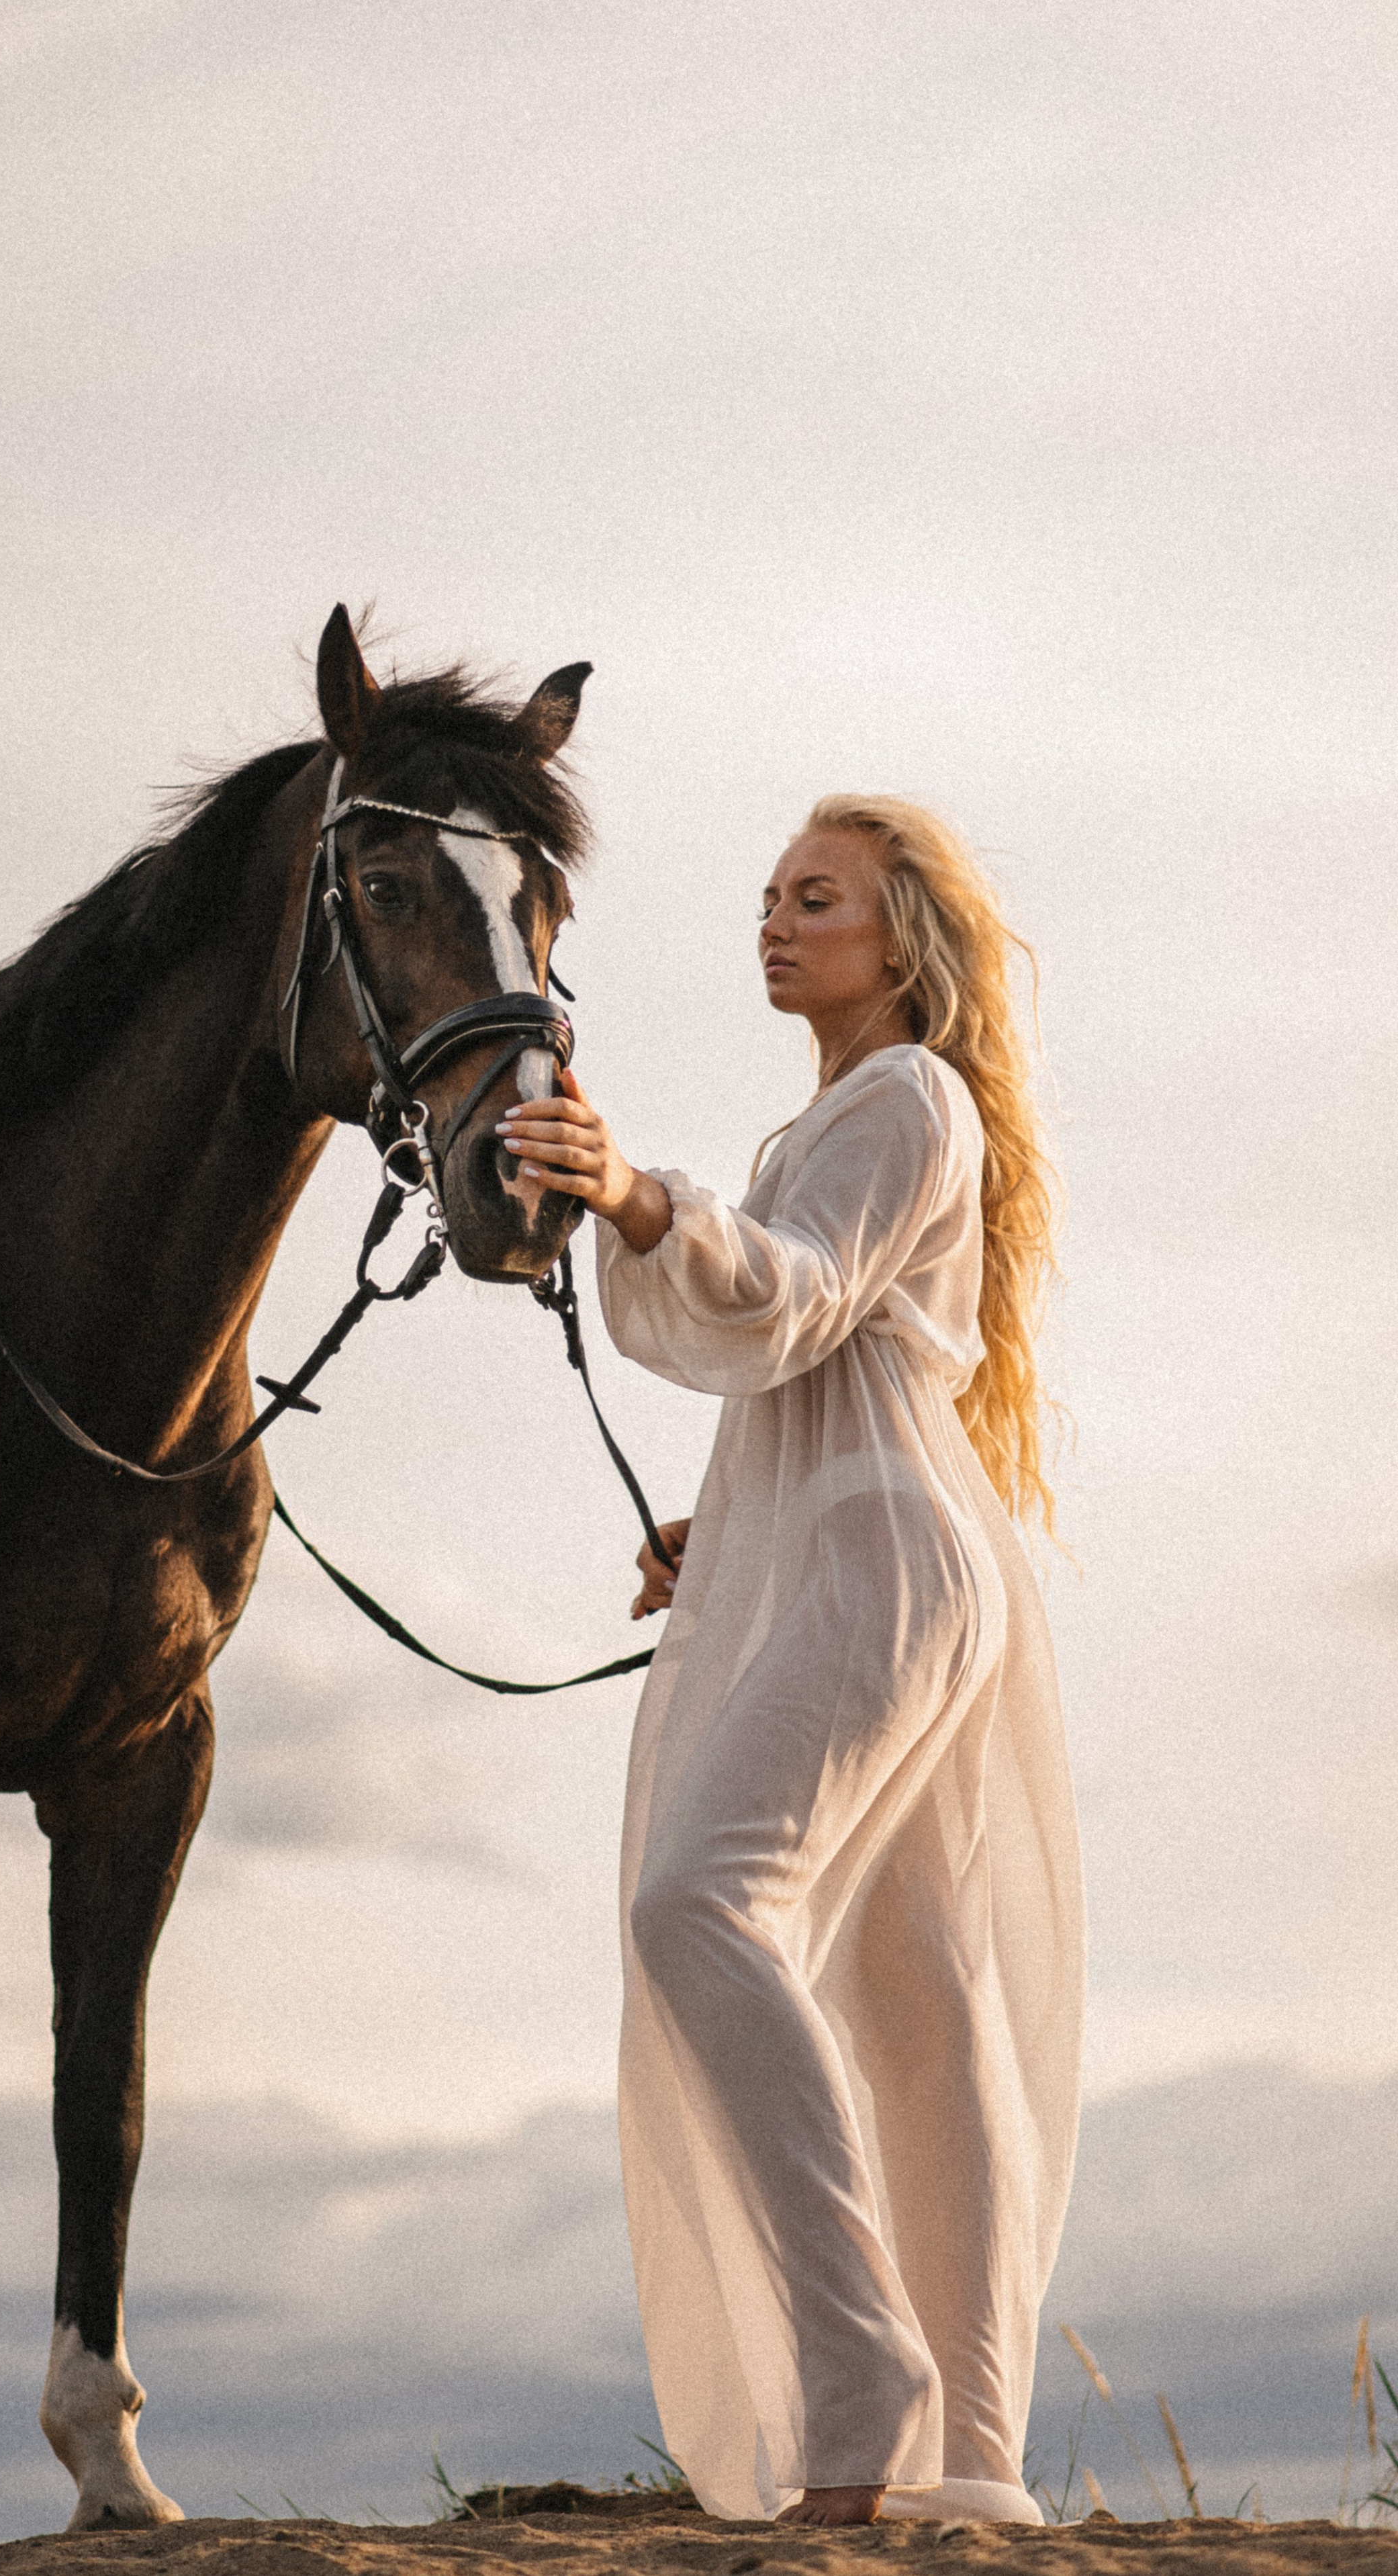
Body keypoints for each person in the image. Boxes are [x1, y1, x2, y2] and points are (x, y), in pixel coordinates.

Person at [496, 797, 1082, 2528]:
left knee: (699, 1898)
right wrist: (723, 1528)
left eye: (814, 898)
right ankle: (968, 2462)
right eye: (764, 897)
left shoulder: (903, 1097)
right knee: (918, 2000)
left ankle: (862, 2375)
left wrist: (630, 1187)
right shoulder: (837, 1119)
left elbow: (802, 1294)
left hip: (888, 1557)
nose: (774, 921)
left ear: (897, 941)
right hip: (869, 1542)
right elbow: (797, 1352)